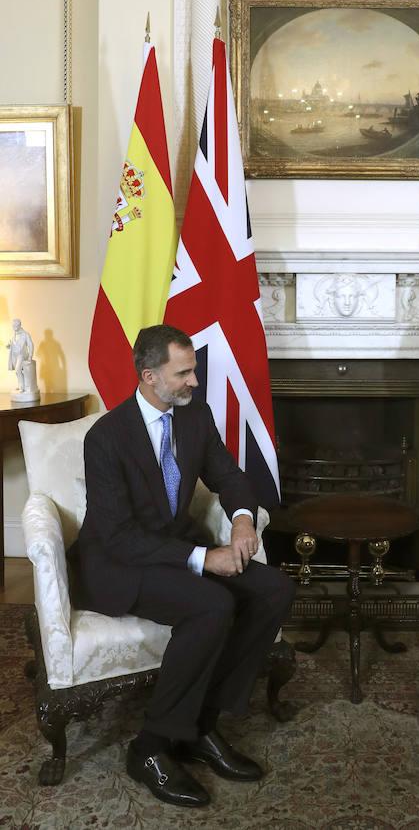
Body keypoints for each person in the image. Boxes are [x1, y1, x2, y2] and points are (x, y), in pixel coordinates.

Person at [74, 324, 295, 809]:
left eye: (193, 369)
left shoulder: (196, 419)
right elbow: (118, 537)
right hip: (118, 564)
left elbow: (230, 476)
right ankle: (150, 746)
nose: (195, 381)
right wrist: (202, 558)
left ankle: (199, 726)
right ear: (150, 375)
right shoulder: (106, 438)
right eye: (185, 372)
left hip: (172, 549)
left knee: (274, 589)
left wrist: (241, 521)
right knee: (212, 605)